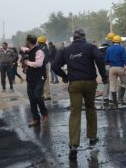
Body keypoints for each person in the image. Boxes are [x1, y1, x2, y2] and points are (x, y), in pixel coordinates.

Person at [51, 29, 107, 161]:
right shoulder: (90, 47)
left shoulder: (66, 50)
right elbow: (99, 57)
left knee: (75, 112)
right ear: (84, 37)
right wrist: (103, 76)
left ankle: (74, 146)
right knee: (90, 108)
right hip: (89, 82)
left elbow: (54, 66)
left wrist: (64, 77)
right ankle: (92, 138)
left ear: (73, 38)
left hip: (74, 83)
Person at [22, 35, 49, 127]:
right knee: (32, 99)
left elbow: (39, 64)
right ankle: (36, 119)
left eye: (26, 41)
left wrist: (27, 63)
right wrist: (25, 67)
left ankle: (45, 114)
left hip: (39, 78)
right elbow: (21, 49)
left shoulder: (39, 51)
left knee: (37, 96)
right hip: (30, 78)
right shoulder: (27, 51)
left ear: (29, 41)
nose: (25, 42)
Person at [104, 35, 126, 108]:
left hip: (112, 68)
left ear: (113, 41)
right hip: (120, 68)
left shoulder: (109, 49)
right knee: (123, 83)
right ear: (119, 42)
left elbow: (106, 60)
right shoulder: (122, 48)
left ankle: (114, 103)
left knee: (112, 85)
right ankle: (120, 100)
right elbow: (125, 59)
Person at [99, 32, 115, 106]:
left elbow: (99, 57)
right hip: (111, 65)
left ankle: (105, 97)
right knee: (111, 81)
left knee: (106, 81)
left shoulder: (102, 46)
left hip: (104, 66)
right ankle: (111, 98)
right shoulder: (113, 47)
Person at [38, 36, 51, 100]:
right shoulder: (46, 47)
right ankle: (46, 95)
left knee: (43, 80)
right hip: (46, 64)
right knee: (46, 80)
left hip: (43, 65)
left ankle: (45, 95)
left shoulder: (40, 48)